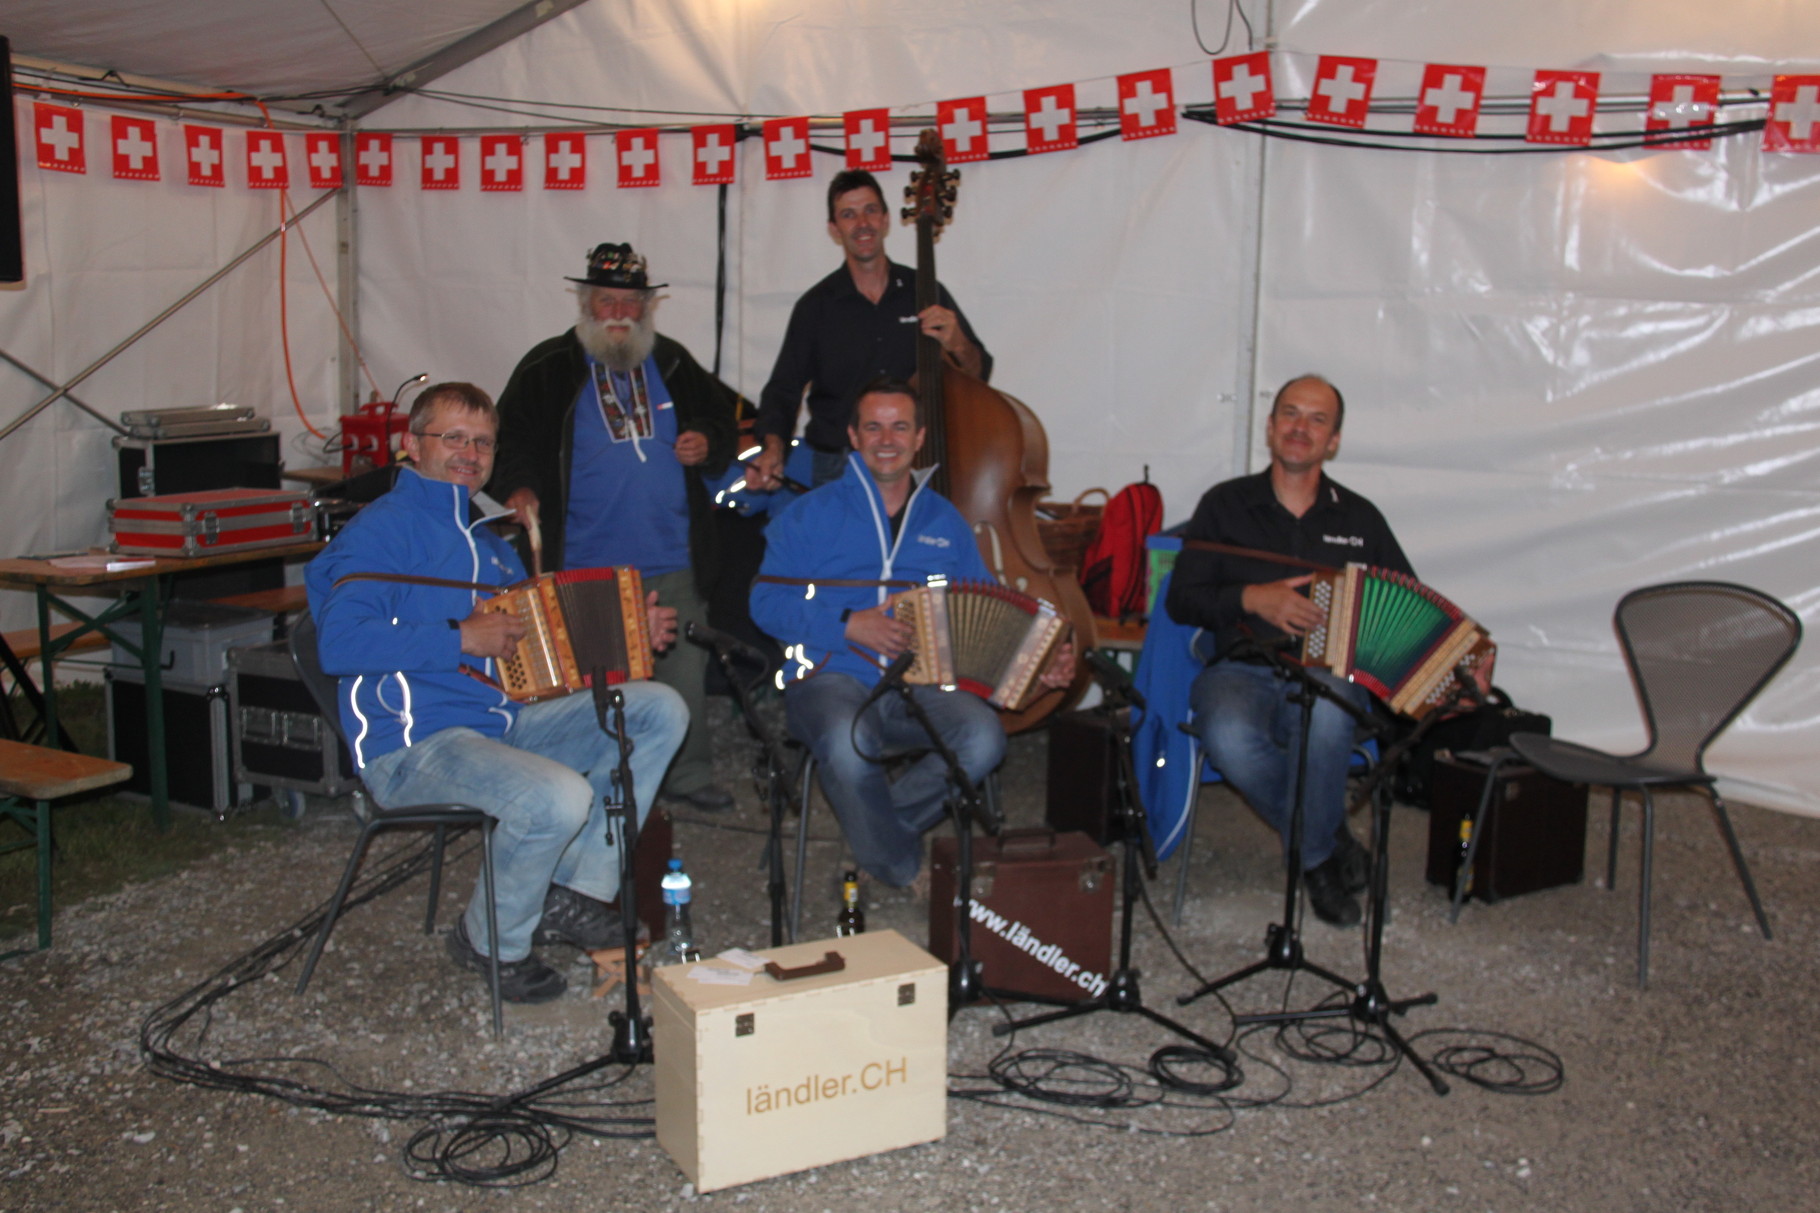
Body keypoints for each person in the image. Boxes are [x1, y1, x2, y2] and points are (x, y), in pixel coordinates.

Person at [306, 382, 688, 1003]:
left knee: (656, 709)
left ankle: (572, 892)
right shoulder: (381, 532)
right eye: (453, 438)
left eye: (483, 443)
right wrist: (459, 637)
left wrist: (627, 639)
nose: (470, 453)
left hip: (503, 727)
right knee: (557, 797)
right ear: (412, 446)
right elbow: (339, 642)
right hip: (412, 745)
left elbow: (542, 662)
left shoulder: (491, 544)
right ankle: (489, 943)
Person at [750, 379, 1073, 887]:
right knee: (847, 743)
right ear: (853, 436)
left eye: (900, 427)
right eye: (873, 427)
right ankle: (899, 864)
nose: (887, 439)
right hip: (829, 679)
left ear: (919, 438)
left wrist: (1039, 662)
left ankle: (873, 836)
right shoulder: (808, 514)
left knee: (984, 740)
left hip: (923, 683)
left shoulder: (945, 519)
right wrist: (848, 625)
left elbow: (989, 610)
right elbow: (765, 603)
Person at [491, 242, 740, 814]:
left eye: (632, 303)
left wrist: (706, 441)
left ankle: (686, 773)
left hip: (673, 554)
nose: (620, 313)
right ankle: (596, 780)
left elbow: (723, 420)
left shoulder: (672, 361)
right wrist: (519, 486)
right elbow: (511, 440)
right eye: (608, 301)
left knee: (684, 668)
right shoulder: (547, 368)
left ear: (648, 308)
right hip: (586, 561)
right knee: (593, 679)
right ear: (586, 304)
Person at [1165, 375, 1407, 928]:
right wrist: (1253, 598)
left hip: (1329, 672)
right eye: (1291, 414)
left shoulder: (1361, 518)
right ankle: (1325, 840)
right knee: (1227, 736)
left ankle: (1312, 858)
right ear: (1271, 428)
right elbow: (1182, 600)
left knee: (1328, 710)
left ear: (1333, 440)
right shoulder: (1224, 504)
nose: (1301, 428)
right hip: (1242, 668)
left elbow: (1405, 607)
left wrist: (1460, 660)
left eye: (1317, 419)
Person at [745, 169, 991, 491]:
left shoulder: (925, 291)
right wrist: (773, 450)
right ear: (835, 228)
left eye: (870, 210)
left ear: (886, 219)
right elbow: (783, 390)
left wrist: (958, 344)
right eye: (849, 215)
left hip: (918, 460)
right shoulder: (815, 307)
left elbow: (978, 376)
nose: (862, 223)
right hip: (839, 466)